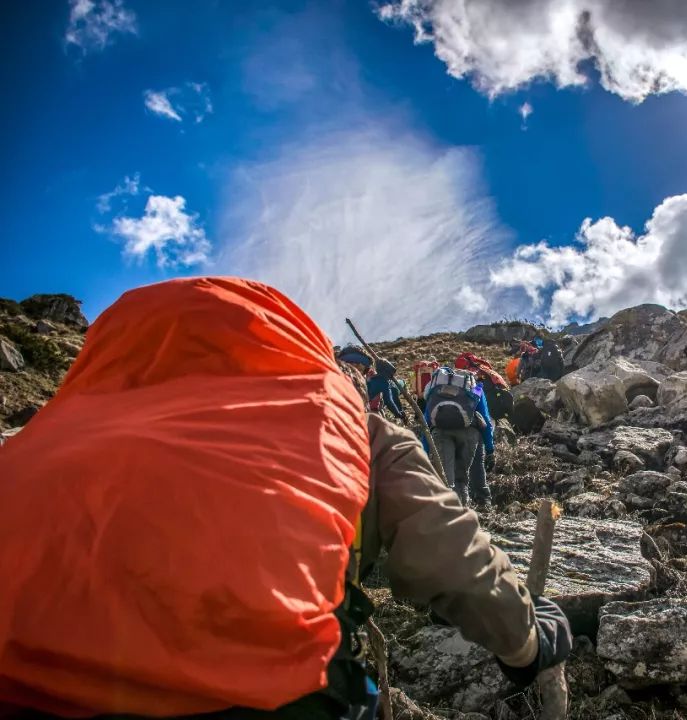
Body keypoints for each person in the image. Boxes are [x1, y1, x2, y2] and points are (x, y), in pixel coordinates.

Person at [0, 277, 570, 720]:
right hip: (269, 691)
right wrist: (524, 642)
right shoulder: (344, 418)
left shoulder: (39, 437)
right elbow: (447, 548)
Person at [423, 366, 496, 509]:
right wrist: (490, 448)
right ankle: (469, 508)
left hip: (441, 433)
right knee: (462, 478)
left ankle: (448, 511)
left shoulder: (436, 389)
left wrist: (423, 452)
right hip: (469, 433)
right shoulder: (475, 388)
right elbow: (486, 420)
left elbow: (427, 421)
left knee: (446, 479)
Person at [338, 345, 406, 422]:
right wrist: (399, 414)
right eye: (352, 365)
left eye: (358, 368)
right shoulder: (383, 383)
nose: (354, 370)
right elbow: (389, 402)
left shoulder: (370, 379)